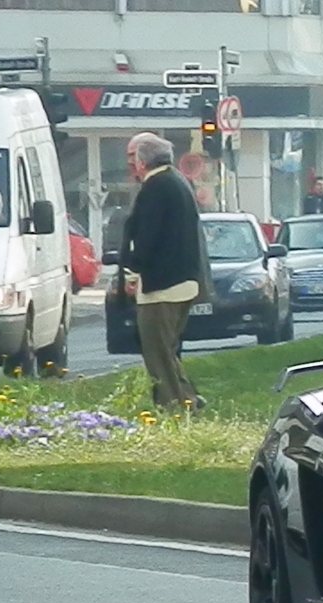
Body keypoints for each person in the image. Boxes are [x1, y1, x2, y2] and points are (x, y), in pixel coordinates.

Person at [121, 132, 208, 409]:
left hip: (163, 285)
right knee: (167, 350)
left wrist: (132, 273)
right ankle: (187, 397)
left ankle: (175, 404)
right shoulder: (176, 181)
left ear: (144, 160)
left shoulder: (156, 187)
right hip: (182, 281)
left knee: (157, 352)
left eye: (132, 157)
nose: (130, 164)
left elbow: (147, 238)